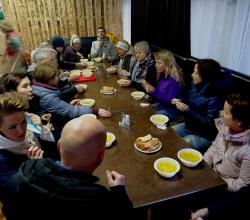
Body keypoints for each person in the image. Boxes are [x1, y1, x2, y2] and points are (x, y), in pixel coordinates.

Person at [0, 117, 133, 220]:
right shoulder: (99, 198)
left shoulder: (23, 174)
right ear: (101, 157)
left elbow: (8, 210)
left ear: (59, 146)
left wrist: (36, 165)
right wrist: (119, 191)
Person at [31, 60, 111, 140]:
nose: (58, 78)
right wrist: (96, 111)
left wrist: (67, 103)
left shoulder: (40, 88)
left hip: (55, 120)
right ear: (48, 79)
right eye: (56, 76)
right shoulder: (47, 97)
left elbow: (56, 106)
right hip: (57, 129)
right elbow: (71, 112)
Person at [172, 59, 224, 152]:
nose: (192, 75)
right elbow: (191, 101)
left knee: (177, 147)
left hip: (204, 135)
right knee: (167, 134)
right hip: (189, 126)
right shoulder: (195, 84)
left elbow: (210, 123)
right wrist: (180, 101)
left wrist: (187, 109)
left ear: (205, 76)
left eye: (196, 73)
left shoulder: (215, 97)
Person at [0, 92, 43, 188]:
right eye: (12, 127)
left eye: (23, 122)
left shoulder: (28, 132)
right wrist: (34, 166)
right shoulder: (2, 158)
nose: (21, 131)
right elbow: (13, 193)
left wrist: (44, 128)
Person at [142, 50, 184, 121]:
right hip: (161, 105)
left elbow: (171, 102)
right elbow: (160, 94)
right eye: (156, 62)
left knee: (147, 118)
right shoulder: (162, 74)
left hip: (171, 111)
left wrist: (153, 91)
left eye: (159, 63)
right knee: (142, 110)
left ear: (167, 64)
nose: (155, 65)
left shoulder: (174, 80)